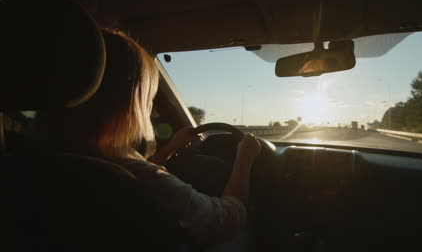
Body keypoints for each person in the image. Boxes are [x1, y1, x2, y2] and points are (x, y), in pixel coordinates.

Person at [36, 28, 261, 244]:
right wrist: (244, 158)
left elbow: (135, 177)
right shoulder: (142, 179)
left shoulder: (35, 161)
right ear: (129, 105)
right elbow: (225, 221)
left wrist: (170, 149)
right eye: (149, 99)